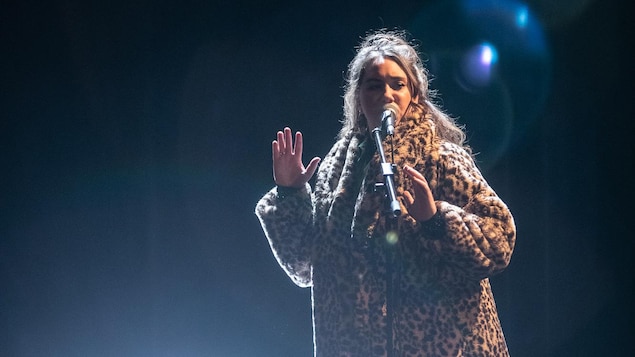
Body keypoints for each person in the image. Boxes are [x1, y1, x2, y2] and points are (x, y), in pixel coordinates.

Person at [255, 29, 516, 357]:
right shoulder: (337, 173)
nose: (386, 94)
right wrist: (289, 194)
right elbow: (305, 266)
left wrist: (436, 220)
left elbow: (499, 241)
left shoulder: (440, 157)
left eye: (398, 84)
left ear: (415, 95)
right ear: (358, 97)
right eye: (374, 85)